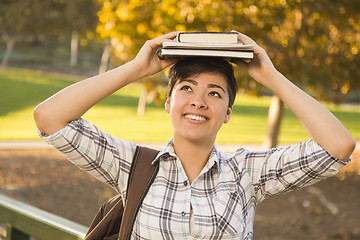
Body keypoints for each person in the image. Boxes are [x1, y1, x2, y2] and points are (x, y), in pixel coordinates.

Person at [33, 31, 355, 239]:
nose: (199, 101)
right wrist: (136, 69)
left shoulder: (246, 174)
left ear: (227, 112)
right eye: (187, 88)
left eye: (215, 93)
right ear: (169, 102)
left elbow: (337, 146)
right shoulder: (131, 165)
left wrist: (270, 76)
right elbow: (49, 118)